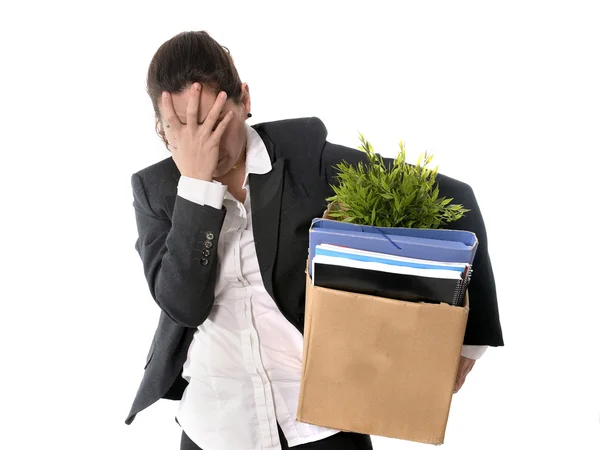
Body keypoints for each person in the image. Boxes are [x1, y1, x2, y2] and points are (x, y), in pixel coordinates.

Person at [125, 31, 504, 450]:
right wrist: (196, 188)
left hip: (322, 421)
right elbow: (183, 305)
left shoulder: (308, 162)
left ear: (244, 101)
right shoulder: (157, 191)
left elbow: (457, 199)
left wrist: (471, 340)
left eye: (214, 124)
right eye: (180, 129)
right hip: (216, 427)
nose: (204, 145)